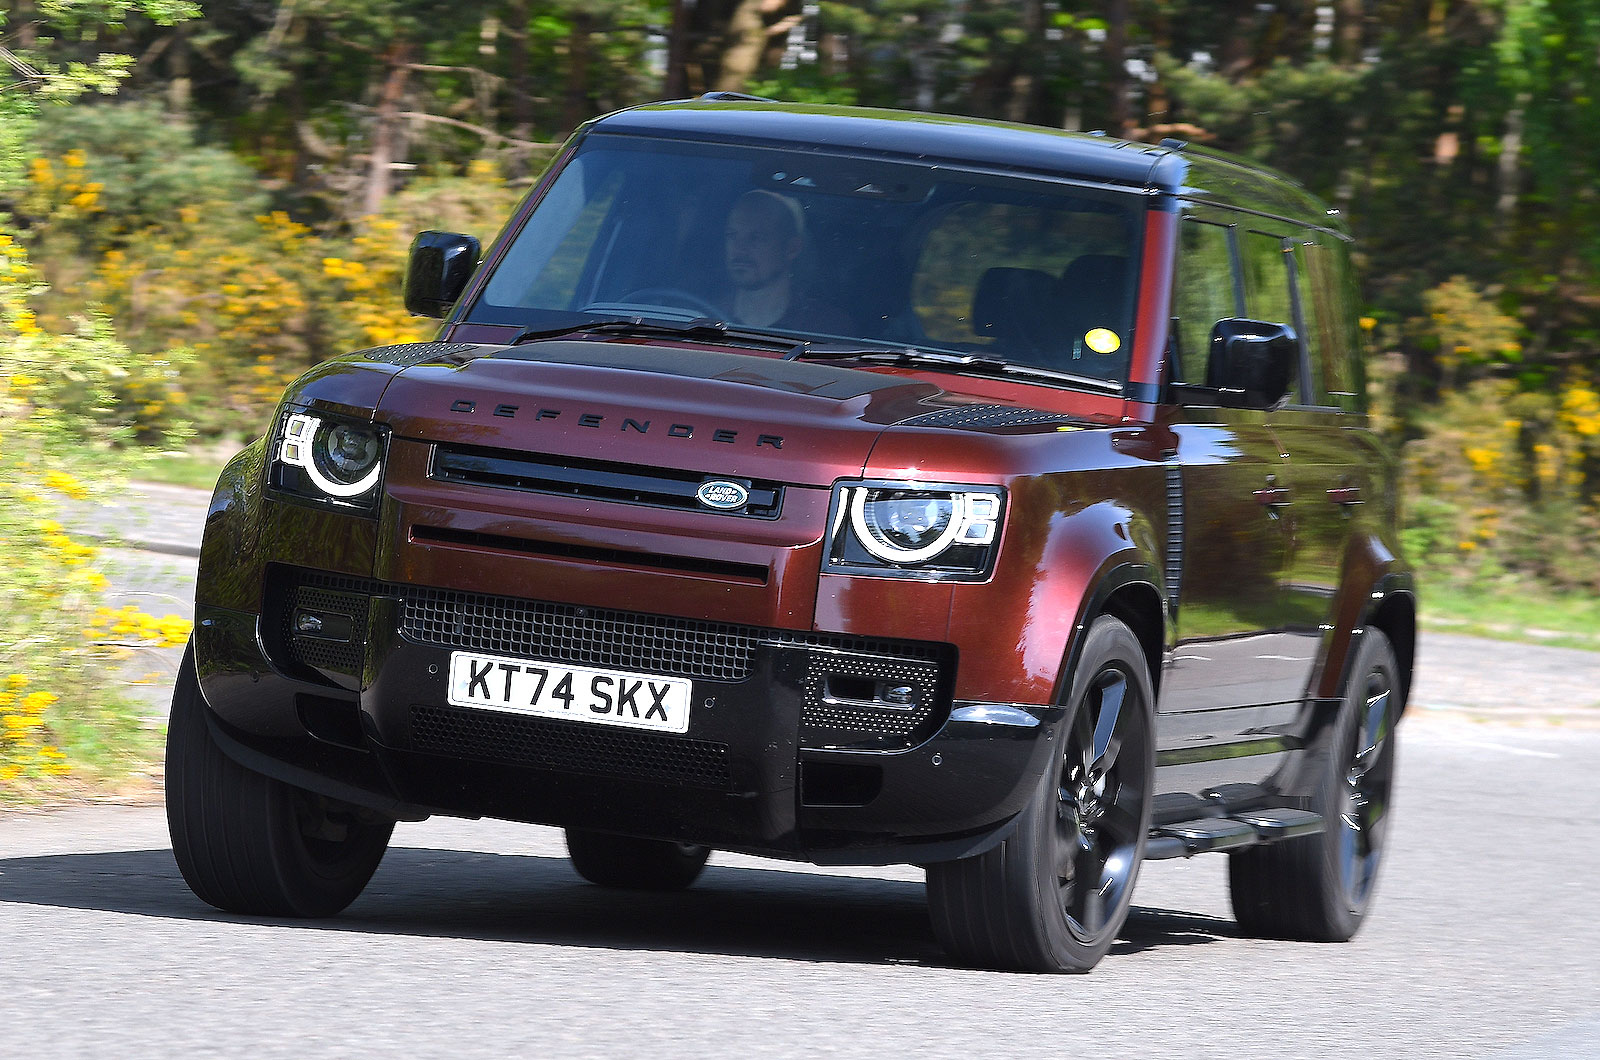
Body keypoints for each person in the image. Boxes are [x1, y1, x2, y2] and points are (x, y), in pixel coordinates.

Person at [722, 190, 852, 333]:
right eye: (732, 235)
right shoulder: (703, 320)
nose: (740, 249)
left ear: (792, 248)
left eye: (756, 237)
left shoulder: (826, 328)